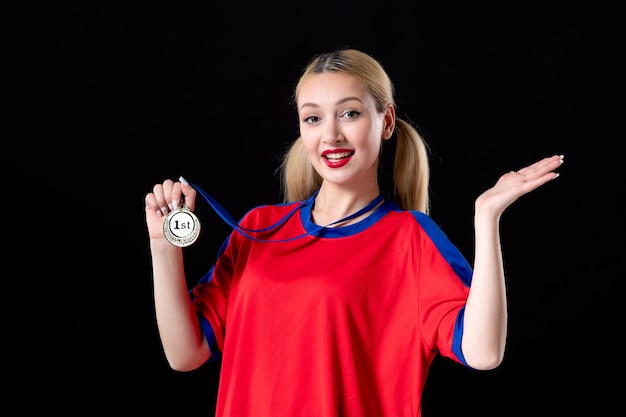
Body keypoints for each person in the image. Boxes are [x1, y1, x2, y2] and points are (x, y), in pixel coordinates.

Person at [144, 48, 564, 416]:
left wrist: (485, 218)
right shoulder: (259, 228)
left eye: (350, 113)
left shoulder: (410, 238)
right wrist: (163, 247)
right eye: (312, 118)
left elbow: (484, 352)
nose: (331, 135)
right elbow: (187, 354)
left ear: (386, 121)